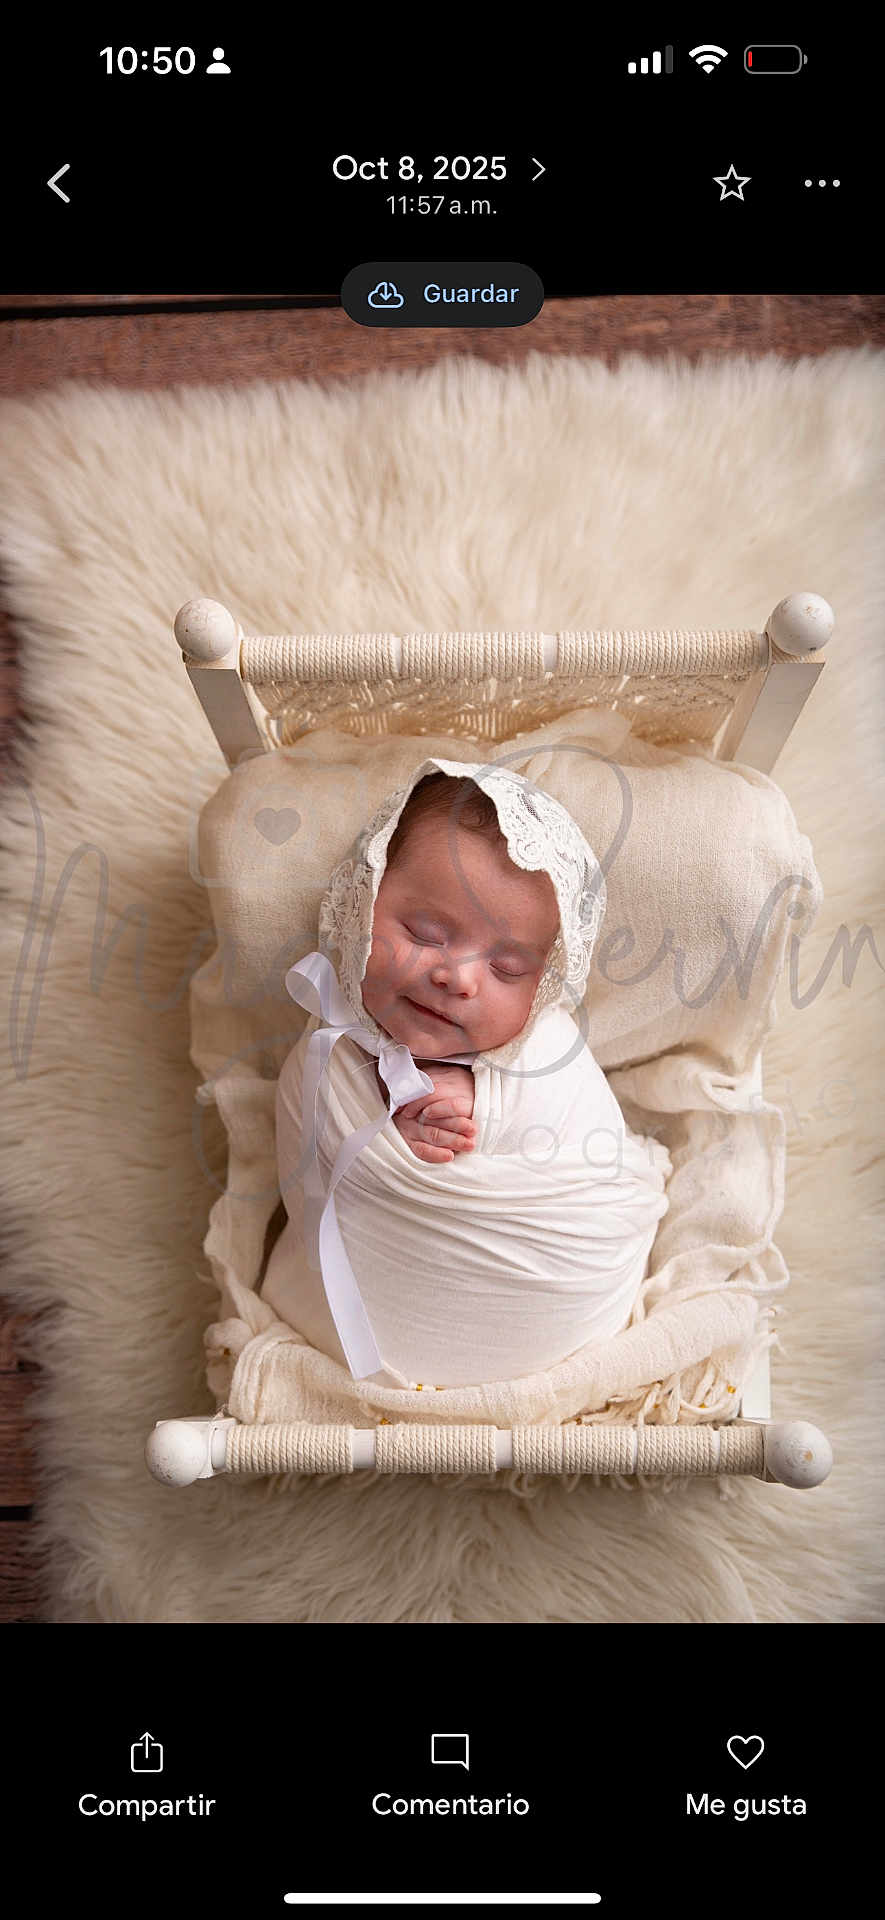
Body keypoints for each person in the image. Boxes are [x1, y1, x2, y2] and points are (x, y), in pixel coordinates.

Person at [260, 760, 671, 1389]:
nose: (459, 978)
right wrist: (386, 1128)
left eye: (508, 969)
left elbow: (582, 1137)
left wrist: (488, 1111)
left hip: (559, 1307)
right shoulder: (327, 1047)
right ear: (361, 905)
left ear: (543, 987)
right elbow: (309, 1152)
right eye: (426, 933)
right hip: (364, 1323)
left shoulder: (546, 1048)